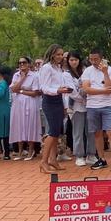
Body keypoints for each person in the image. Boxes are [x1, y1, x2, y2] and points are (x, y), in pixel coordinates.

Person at [81, 49, 111, 173]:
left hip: (107, 105)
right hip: (92, 106)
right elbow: (86, 89)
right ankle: (101, 158)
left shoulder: (110, 70)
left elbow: (110, 87)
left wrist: (105, 73)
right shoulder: (87, 71)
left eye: (96, 59)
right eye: (91, 59)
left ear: (101, 58)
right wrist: (102, 91)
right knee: (97, 133)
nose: (94, 61)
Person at [38, 44, 71, 173]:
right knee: (52, 132)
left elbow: (60, 86)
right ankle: (43, 162)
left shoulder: (58, 68)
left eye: (61, 54)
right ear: (51, 54)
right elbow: (44, 88)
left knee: (57, 132)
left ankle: (53, 159)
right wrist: (57, 90)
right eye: (57, 54)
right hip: (49, 101)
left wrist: (64, 103)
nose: (60, 57)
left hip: (58, 100)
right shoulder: (46, 68)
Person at [64, 51, 97, 167]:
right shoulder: (66, 74)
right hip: (76, 106)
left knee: (91, 131)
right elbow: (71, 91)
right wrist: (82, 99)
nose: (74, 62)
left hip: (90, 105)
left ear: (79, 60)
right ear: (68, 61)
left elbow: (91, 85)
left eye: (76, 60)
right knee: (77, 132)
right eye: (71, 60)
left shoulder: (85, 70)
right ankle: (79, 155)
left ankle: (91, 154)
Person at [9, 56, 42, 160]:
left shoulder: (35, 76)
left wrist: (22, 91)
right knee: (19, 126)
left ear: (28, 64)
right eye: (20, 63)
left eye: (24, 62)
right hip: (18, 104)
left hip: (31, 103)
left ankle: (31, 151)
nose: (21, 64)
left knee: (30, 125)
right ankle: (20, 152)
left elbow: (35, 92)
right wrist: (23, 78)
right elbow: (14, 89)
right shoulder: (16, 75)